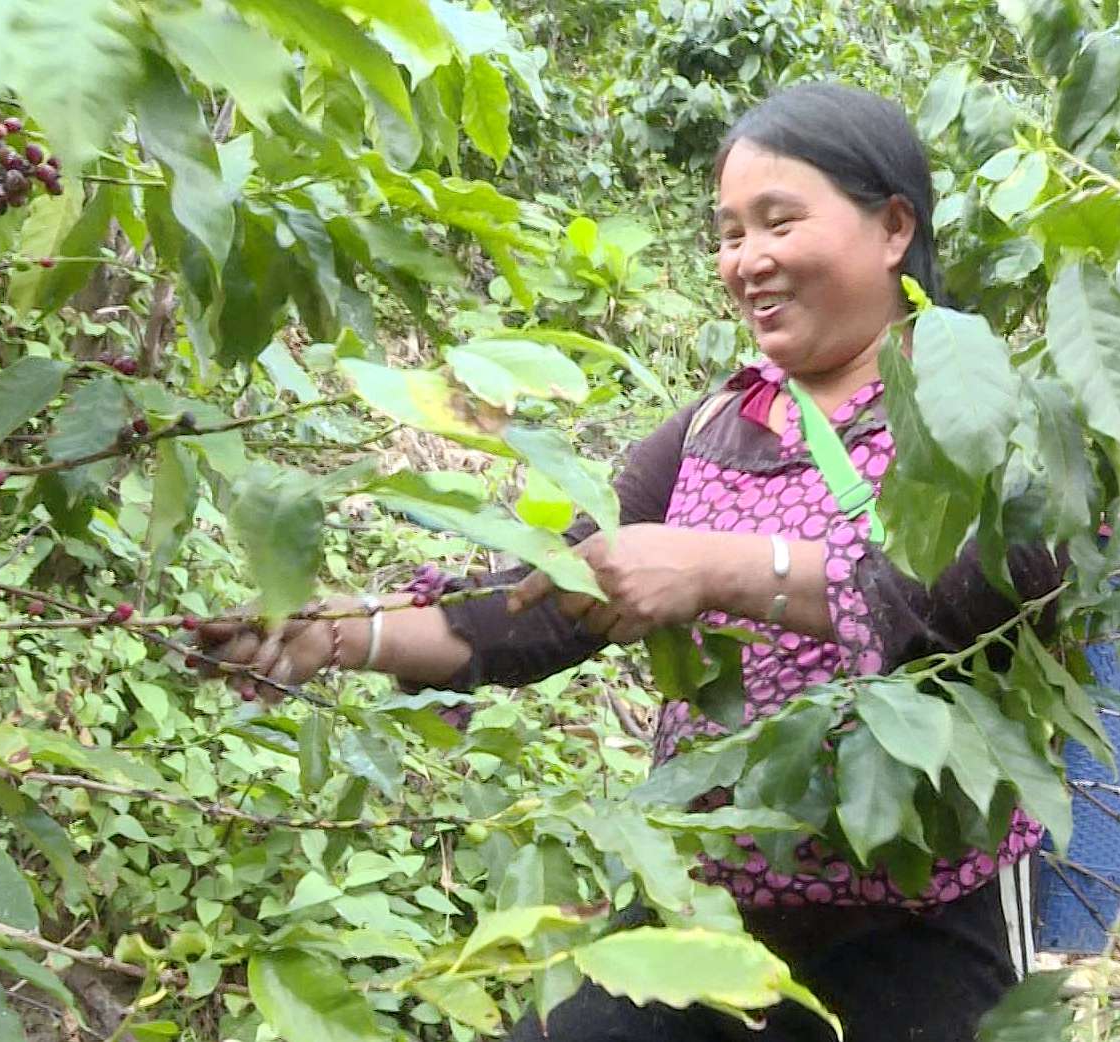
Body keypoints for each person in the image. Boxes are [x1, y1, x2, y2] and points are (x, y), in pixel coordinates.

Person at [197, 83, 1065, 1041]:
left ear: (894, 226)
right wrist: (338, 636)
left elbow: (988, 587)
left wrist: (718, 567)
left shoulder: (977, 406)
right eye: (730, 233)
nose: (749, 260)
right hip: (708, 914)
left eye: (780, 222)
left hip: (920, 925)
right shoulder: (708, 429)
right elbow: (540, 596)